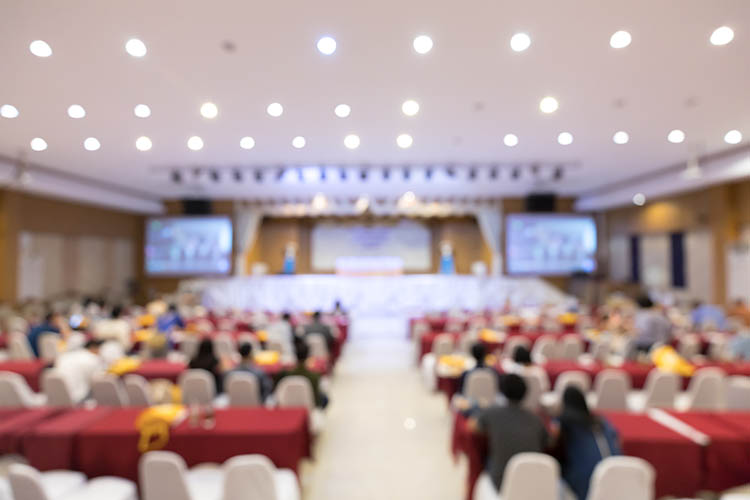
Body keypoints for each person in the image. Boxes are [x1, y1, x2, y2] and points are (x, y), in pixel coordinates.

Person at [468, 374, 549, 492]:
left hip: (500, 482)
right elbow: (549, 442)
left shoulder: (492, 412)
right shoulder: (536, 419)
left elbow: (472, 426)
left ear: (502, 390)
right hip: (533, 481)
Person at [553, 387, 621, 500]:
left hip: (584, 481)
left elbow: (553, 439)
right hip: (616, 476)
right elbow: (617, 439)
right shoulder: (601, 421)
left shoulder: (564, 420)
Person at [280, 340, 328, 408]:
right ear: (308, 355)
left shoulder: (286, 374)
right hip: (310, 407)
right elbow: (317, 397)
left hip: (287, 408)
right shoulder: (314, 375)